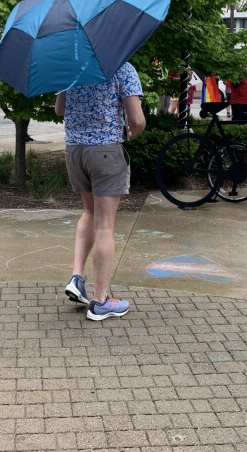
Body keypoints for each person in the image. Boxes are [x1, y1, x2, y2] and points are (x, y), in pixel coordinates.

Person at [57, 61, 145, 321]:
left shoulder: (70, 65)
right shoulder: (122, 67)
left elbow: (60, 109)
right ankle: (101, 300)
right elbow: (137, 120)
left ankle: (77, 277)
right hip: (106, 150)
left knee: (88, 212)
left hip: (74, 151)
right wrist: (130, 134)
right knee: (105, 225)